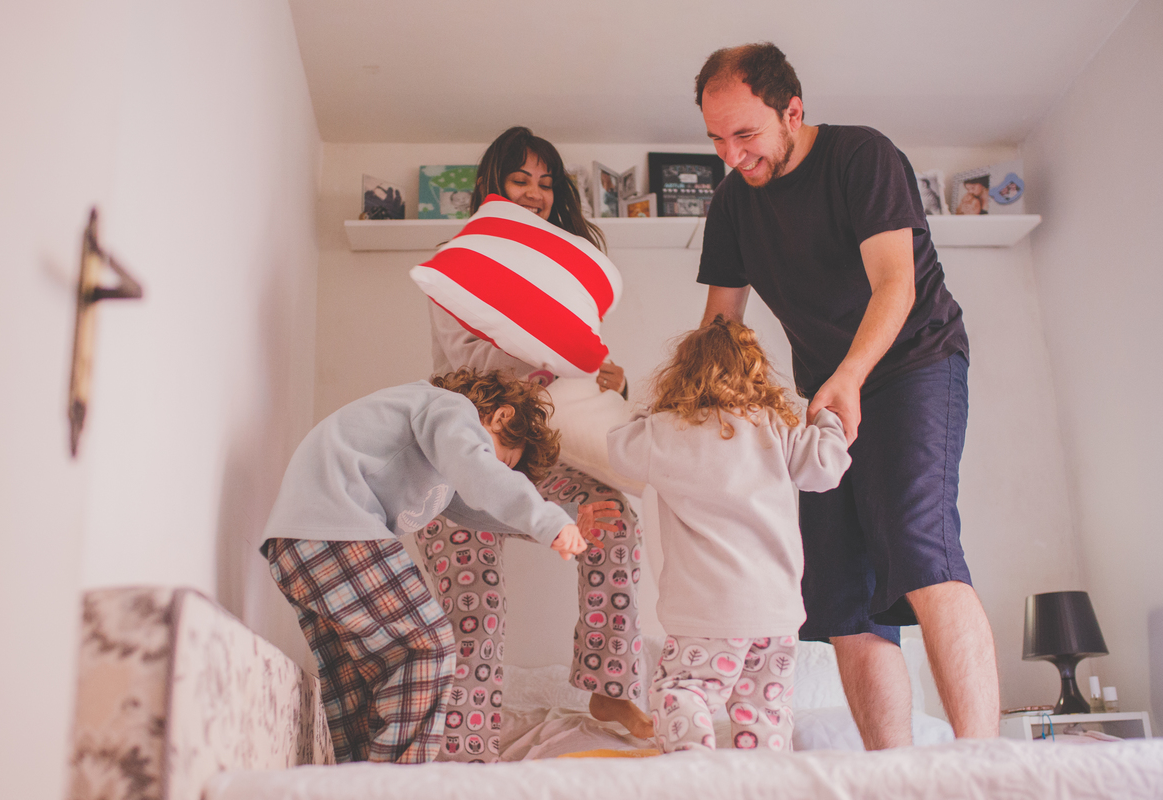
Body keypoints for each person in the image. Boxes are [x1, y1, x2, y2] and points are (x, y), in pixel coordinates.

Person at [693, 42, 1000, 748]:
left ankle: (982, 768)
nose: (732, 155)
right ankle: (889, 775)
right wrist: (701, 418)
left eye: (746, 134)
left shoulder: (861, 157)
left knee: (920, 544)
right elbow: (719, 329)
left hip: (913, 363)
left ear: (792, 111)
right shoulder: (733, 205)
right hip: (828, 396)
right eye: (716, 139)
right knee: (839, 595)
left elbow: (897, 283)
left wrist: (851, 375)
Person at [420, 125, 655, 762]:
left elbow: (580, 379)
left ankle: (611, 685)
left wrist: (612, 376)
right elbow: (464, 360)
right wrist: (546, 354)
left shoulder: (564, 273)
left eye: (546, 185)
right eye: (520, 180)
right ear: (492, 187)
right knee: (476, 608)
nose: (534, 194)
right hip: (462, 462)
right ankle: (466, 750)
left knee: (614, 523)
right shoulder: (462, 263)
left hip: (539, 455)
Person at [260, 369, 592, 764]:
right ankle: (398, 788)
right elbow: (481, 474)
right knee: (428, 646)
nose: (494, 468)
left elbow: (476, 509)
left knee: (358, 694)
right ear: (501, 416)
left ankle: (356, 784)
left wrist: (566, 518)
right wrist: (548, 519)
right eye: (502, 460)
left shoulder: (438, 452)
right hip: (334, 528)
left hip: (296, 545)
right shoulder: (450, 408)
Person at [607, 316, 851, 753]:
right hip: (774, 612)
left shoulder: (666, 430)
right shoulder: (776, 427)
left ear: (681, 375)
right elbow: (825, 469)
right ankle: (762, 782)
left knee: (682, 691)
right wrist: (827, 420)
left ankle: (695, 768)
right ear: (756, 373)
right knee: (765, 711)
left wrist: (648, 407)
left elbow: (620, 449)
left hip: (706, 610)